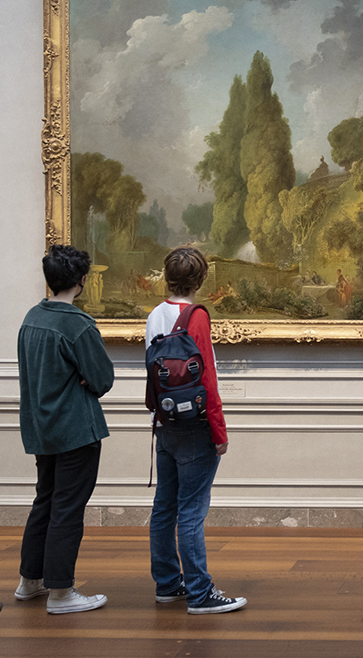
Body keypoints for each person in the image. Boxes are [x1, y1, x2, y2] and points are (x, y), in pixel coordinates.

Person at [14, 245, 115, 615]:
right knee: (67, 510)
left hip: (42, 428)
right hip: (75, 430)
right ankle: (61, 593)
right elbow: (103, 379)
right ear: (82, 281)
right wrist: (85, 380)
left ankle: (30, 581)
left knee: (45, 501)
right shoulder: (77, 324)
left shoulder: (31, 317)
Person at [145, 248, 246, 616]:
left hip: (166, 423)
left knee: (164, 508)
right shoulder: (197, 316)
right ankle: (201, 593)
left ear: (166, 277)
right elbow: (208, 381)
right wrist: (219, 432)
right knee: (190, 511)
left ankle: (168, 584)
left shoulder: (154, 315)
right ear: (201, 280)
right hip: (196, 427)